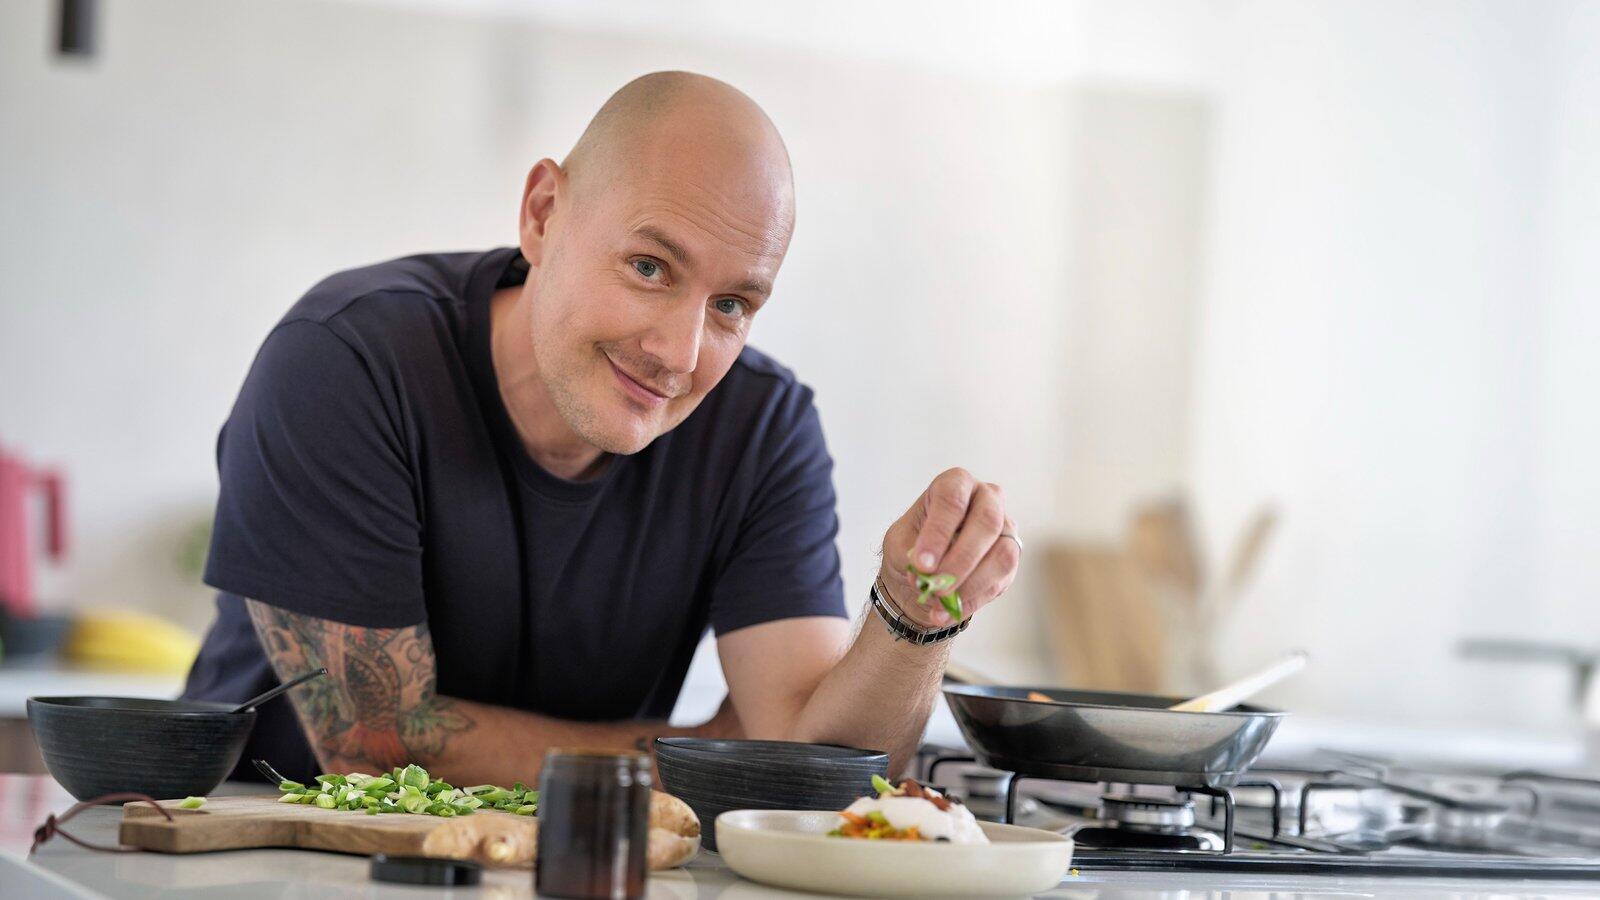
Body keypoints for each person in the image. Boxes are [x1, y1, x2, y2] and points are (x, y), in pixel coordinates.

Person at [182, 71, 1020, 784]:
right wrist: (710, 752)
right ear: (543, 213)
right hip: (261, 851)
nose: (679, 354)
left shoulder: (761, 427)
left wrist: (912, 620)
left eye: (732, 305)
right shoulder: (346, 361)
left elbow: (814, 765)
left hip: (587, 860)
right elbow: (376, 745)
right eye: (650, 267)